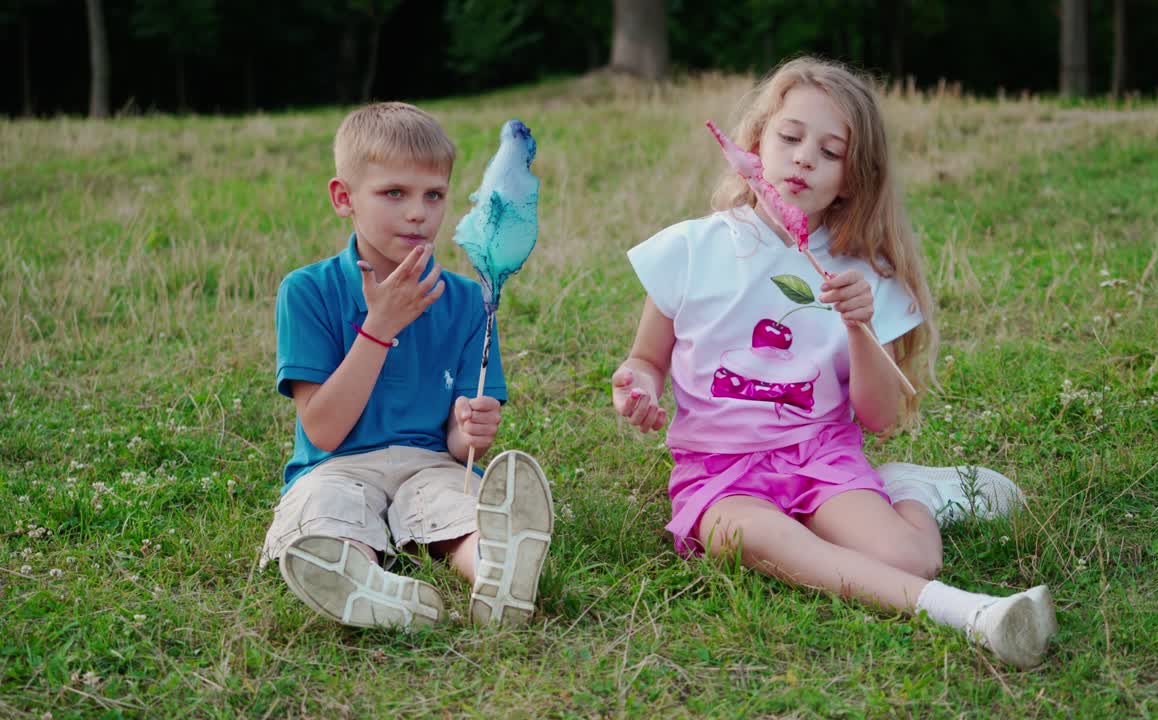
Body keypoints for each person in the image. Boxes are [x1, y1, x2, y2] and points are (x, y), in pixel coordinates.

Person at [610, 58, 1056, 669]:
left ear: (851, 177)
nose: (802, 159)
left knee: (909, 556)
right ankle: (961, 611)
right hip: (718, 472)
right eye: (789, 138)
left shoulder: (862, 274)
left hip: (820, 454)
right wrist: (637, 386)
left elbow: (878, 416)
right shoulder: (692, 248)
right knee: (745, 537)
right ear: (756, 143)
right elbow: (646, 359)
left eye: (828, 151)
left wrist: (859, 326)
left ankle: (911, 492)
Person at [261, 102, 553, 630]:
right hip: (338, 464)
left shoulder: (469, 301)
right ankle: (366, 584)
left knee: (457, 502)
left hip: (429, 463)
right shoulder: (307, 292)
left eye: (433, 195)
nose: (418, 212)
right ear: (343, 198)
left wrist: (473, 433)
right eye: (394, 193)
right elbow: (324, 429)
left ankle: (497, 569)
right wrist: (379, 328)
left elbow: (457, 448)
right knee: (328, 508)